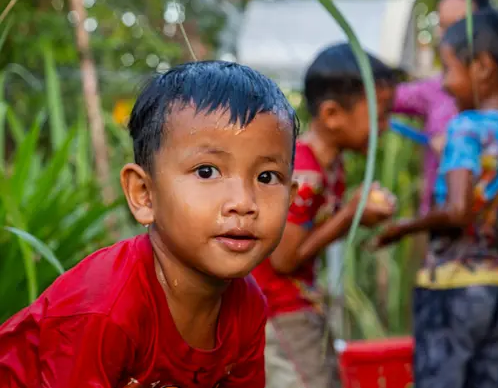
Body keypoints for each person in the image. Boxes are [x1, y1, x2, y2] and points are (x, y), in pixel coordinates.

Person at [0, 61, 300, 388]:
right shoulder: (105, 309)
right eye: (206, 171)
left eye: (267, 177)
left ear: (292, 196)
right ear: (144, 194)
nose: (243, 202)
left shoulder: (247, 308)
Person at [376, 9, 498, 388]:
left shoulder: (465, 127)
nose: (446, 85)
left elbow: (456, 209)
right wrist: (492, 246)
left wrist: (405, 227)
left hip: (450, 292)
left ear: (482, 67)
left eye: (448, 70)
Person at [252, 42, 398, 388]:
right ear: (332, 115)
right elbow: (286, 259)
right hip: (279, 308)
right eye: (380, 116)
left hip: (301, 303)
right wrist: (350, 214)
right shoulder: (303, 173)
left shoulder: (333, 168)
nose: (387, 127)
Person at [393, 0, 498, 216]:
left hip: (490, 230)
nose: (444, 35)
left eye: (456, 25)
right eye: (441, 25)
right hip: (441, 225)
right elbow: (385, 97)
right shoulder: (433, 88)